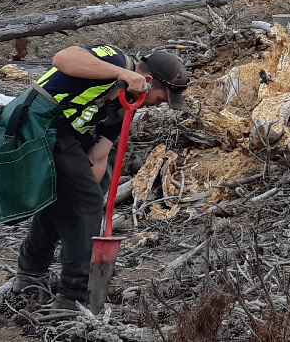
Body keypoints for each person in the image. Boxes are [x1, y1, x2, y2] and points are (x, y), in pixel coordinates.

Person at [14, 45, 189, 311]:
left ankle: (30, 275)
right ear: (148, 81)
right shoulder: (116, 60)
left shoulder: (124, 105)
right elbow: (62, 58)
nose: (159, 105)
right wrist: (87, 206)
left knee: (65, 201)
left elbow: (98, 156)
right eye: (162, 98)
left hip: (63, 137)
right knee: (83, 204)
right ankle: (72, 298)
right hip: (39, 123)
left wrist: (90, 193)